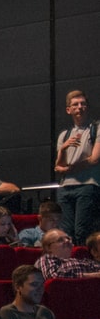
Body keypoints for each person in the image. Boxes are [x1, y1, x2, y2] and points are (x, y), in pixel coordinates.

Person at [55, 89, 100, 241]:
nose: (80, 107)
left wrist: (69, 169)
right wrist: (62, 149)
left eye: (83, 103)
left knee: (82, 231)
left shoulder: (96, 128)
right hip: (65, 188)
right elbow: (58, 167)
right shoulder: (64, 135)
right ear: (69, 110)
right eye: (75, 104)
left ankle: (83, 263)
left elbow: (94, 159)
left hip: (87, 185)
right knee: (66, 232)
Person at [34, 227, 100, 279]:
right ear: (48, 248)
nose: (67, 241)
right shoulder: (46, 259)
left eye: (68, 238)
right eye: (60, 240)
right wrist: (93, 275)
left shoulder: (81, 260)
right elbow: (54, 276)